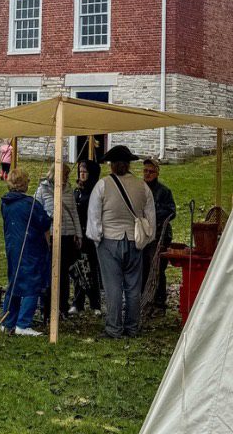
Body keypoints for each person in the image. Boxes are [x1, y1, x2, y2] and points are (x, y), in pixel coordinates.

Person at [86, 145, 155, 338]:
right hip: (134, 240)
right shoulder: (142, 186)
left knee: (113, 287)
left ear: (112, 165)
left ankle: (114, 328)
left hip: (110, 239)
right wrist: (147, 239)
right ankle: (132, 327)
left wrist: (96, 237)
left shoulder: (103, 185)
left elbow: (94, 216)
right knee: (133, 287)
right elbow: (150, 216)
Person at [0, 168, 51, 336]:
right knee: (31, 283)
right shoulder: (30, 204)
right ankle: (23, 323)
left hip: (12, 246)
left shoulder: (5, 202)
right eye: (27, 180)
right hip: (30, 247)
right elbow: (44, 222)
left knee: (14, 281)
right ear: (23, 183)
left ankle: (7, 320)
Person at [34, 162, 82, 315]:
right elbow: (36, 213)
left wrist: (78, 233)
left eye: (67, 175)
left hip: (67, 235)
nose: (66, 178)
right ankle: (46, 308)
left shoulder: (68, 189)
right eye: (64, 175)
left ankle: (62, 306)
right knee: (49, 273)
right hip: (51, 236)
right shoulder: (42, 190)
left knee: (64, 274)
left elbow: (74, 212)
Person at [141, 157, 176, 310]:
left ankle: (160, 301)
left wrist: (153, 215)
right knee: (143, 267)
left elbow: (171, 211)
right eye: (145, 171)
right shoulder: (139, 190)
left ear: (157, 173)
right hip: (143, 234)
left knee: (158, 268)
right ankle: (144, 298)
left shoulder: (164, 191)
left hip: (160, 235)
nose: (147, 174)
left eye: (151, 171)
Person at [73, 158, 103, 314]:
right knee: (79, 268)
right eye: (80, 171)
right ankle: (77, 302)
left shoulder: (94, 192)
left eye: (85, 171)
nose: (82, 174)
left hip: (90, 233)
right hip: (79, 234)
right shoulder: (77, 191)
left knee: (91, 268)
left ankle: (95, 303)